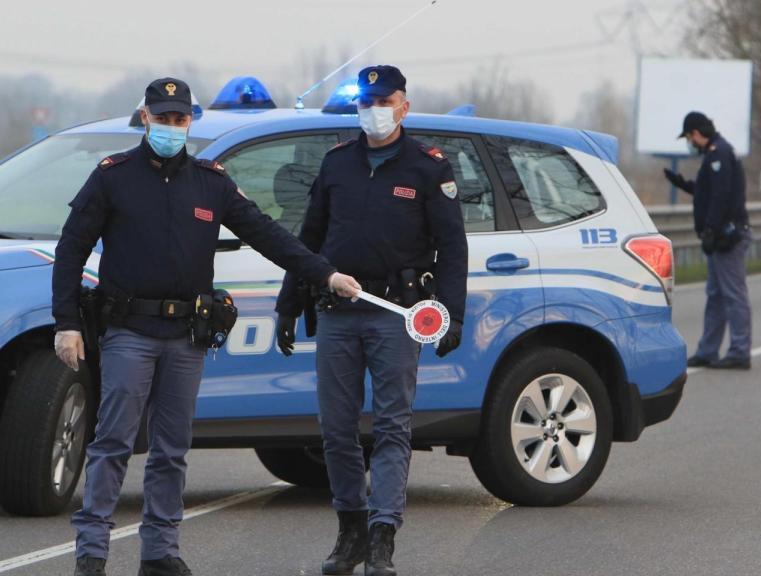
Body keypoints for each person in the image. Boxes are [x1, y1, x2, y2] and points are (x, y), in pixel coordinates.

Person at [52, 77, 360, 576]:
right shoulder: (113, 177)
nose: (173, 126)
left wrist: (323, 272)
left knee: (172, 450)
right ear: (145, 117)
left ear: (190, 120)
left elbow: (268, 234)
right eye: (163, 117)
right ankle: (92, 552)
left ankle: (160, 551)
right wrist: (66, 322)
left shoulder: (210, 182)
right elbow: (71, 249)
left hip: (186, 336)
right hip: (129, 330)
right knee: (113, 442)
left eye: (181, 118)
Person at [274, 65, 468, 576]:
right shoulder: (337, 162)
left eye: (383, 101)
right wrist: (288, 305)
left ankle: (383, 535)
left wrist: (451, 313)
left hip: (398, 315)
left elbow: (452, 246)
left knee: (391, 427)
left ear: (403, 105)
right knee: (336, 431)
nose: (373, 111)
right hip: (338, 312)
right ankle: (351, 529)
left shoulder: (429, 166)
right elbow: (308, 240)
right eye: (366, 102)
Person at [664, 111, 752, 370]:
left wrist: (712, 230)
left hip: (728, 236)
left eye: (690, 137)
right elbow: (709, 191)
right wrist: (683, 184)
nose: (690, 143)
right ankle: (708, 350)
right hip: (720, 234)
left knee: (733, 294)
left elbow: (722, 196)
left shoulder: (719, 154)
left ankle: (739, 350)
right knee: (715, 295)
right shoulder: (715, 154)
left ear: (697, 133)